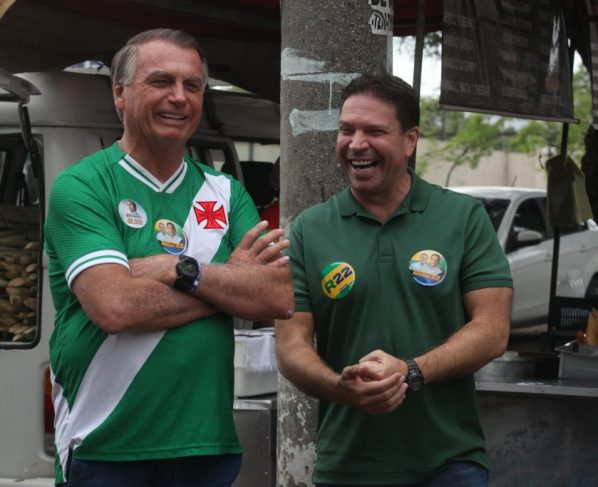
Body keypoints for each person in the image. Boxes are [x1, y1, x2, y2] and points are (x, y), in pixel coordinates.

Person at [44, 28, 293, 487]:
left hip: (207, 445)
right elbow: (116, 308)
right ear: (119, 94)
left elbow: (277, 296)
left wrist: (177, 269)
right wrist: (229, 284)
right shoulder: (83, 186)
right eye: (160, 81)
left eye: (192, 85)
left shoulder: (226, 192)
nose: (179, 97)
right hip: (105, 444)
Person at [275, 73, 513, 486]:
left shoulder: (462, 218)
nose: (356, 143)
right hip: (347, 466)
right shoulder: (311, 229)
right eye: (347, 129)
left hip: (449, 464)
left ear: (410, 140)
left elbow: (493, 329)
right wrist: (339, 387)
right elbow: (291, 343)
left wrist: (410, 371)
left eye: (374, 131)